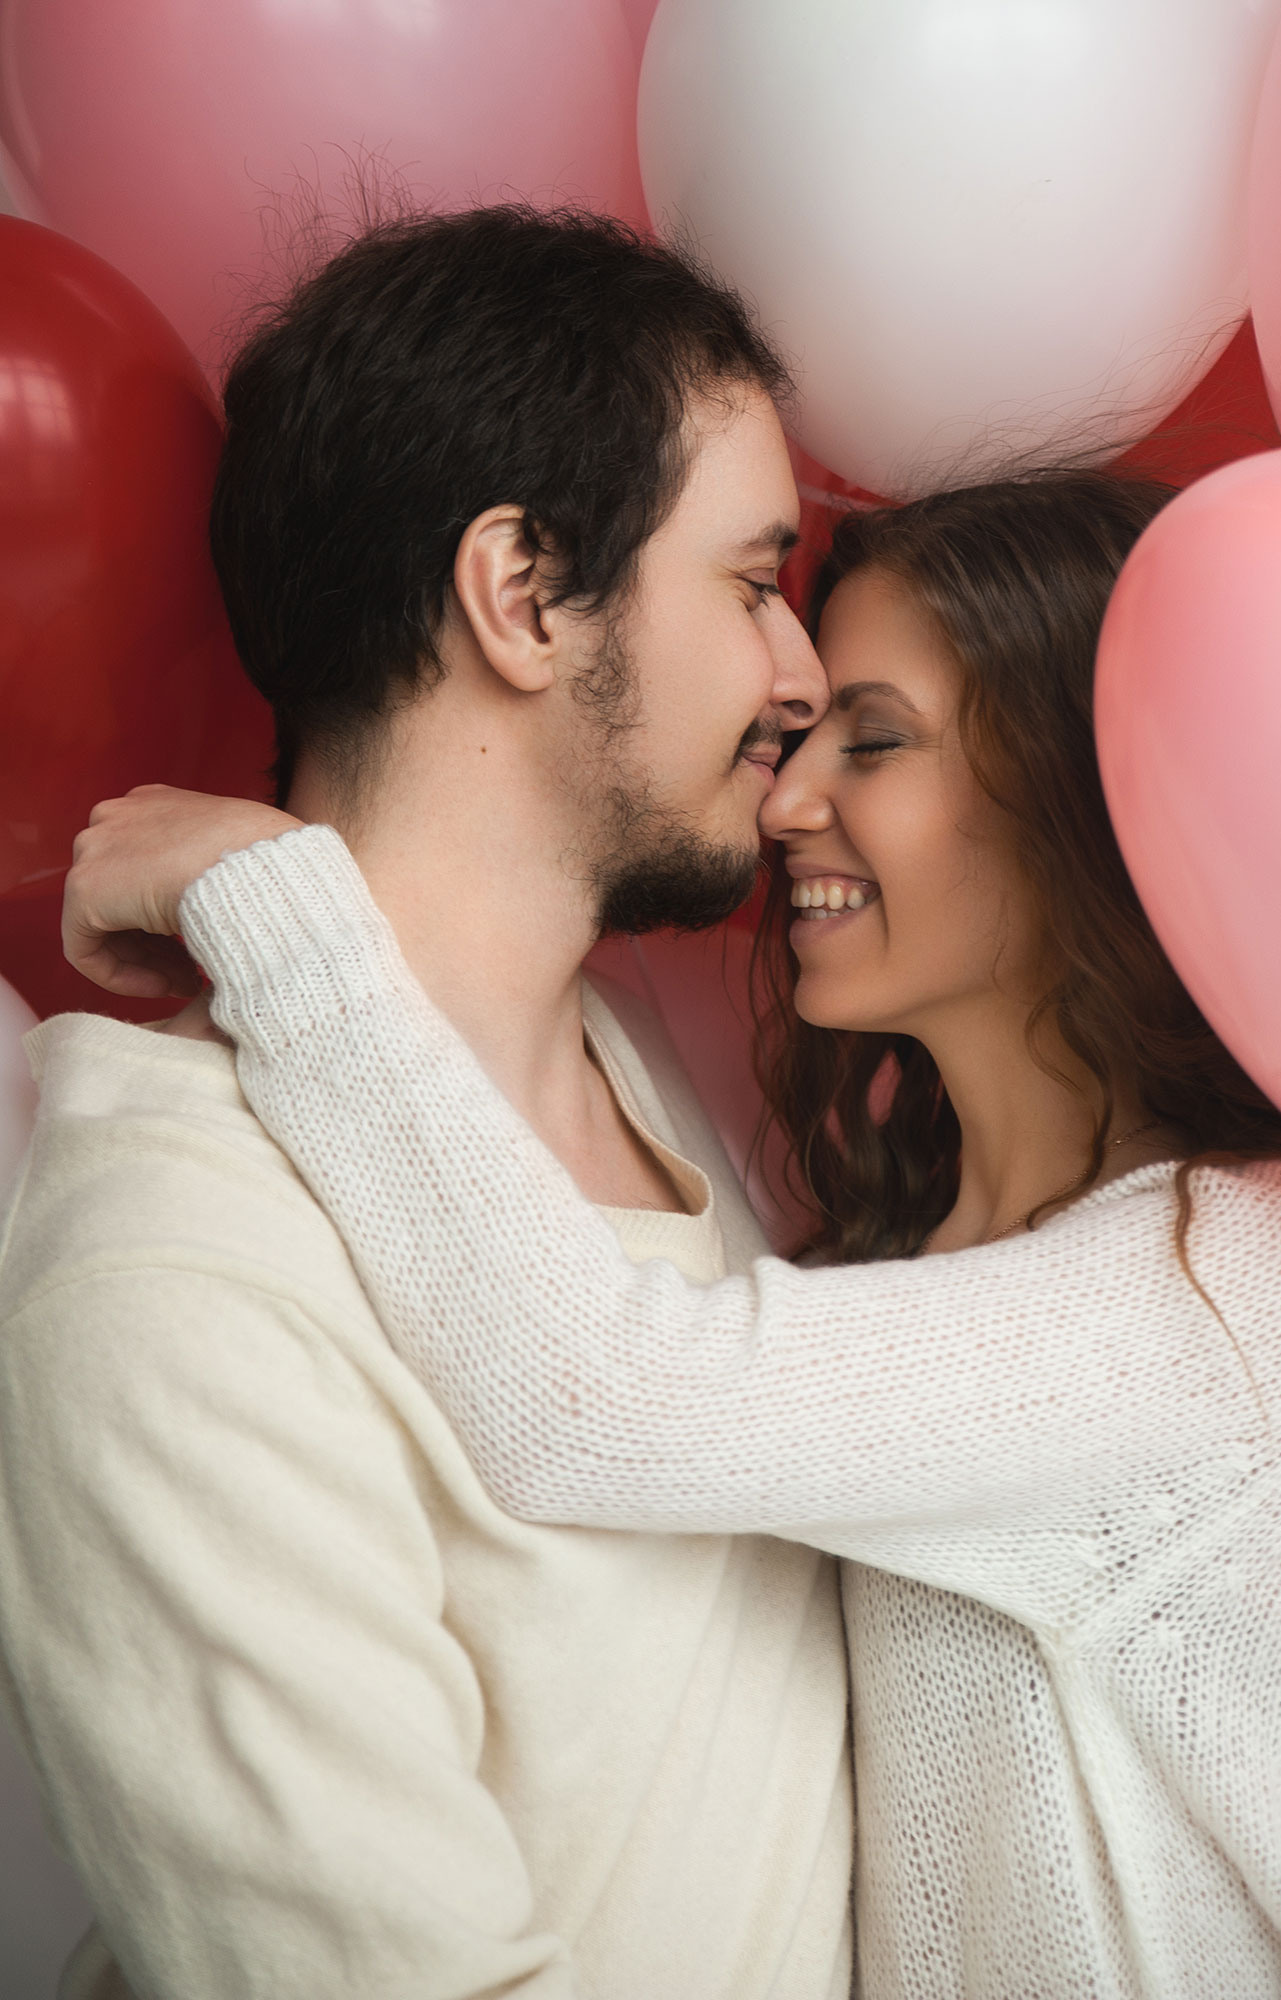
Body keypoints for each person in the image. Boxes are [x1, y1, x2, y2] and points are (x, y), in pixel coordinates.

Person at [64, 474, 1281, 2000]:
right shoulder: (934, 1233)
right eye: (803, 735)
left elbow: (593, 1397)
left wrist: (282, 909)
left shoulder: (1276, 1280)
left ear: (1088, 786)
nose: (789, 794)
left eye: (873, 741)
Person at [0, 205, 856, 2000]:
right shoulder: (176, 1273)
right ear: (523, 593)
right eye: (752, 580)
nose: (800, 672)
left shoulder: (653, 1058)